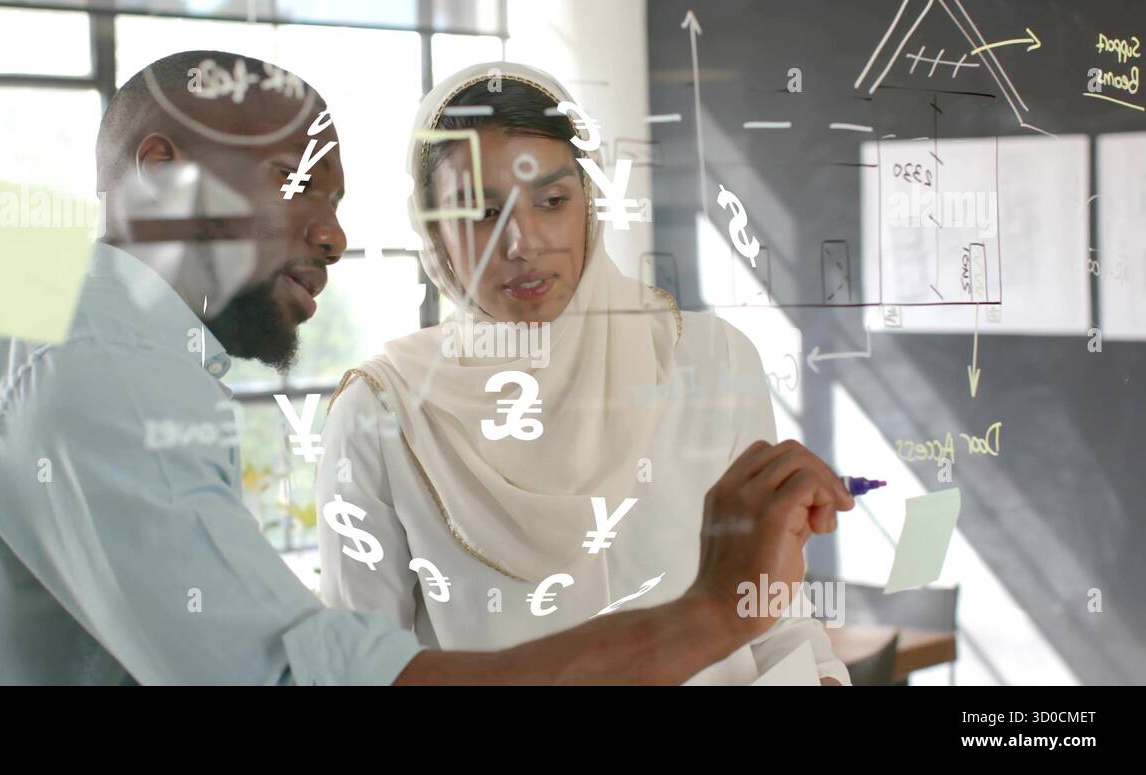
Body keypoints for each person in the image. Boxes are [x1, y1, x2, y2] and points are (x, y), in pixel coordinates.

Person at [0, 51, 851, 686]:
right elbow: (313, 675)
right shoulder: (127, 368)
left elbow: (782, 636)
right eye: (302, 189)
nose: (334, 237)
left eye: (549, 200)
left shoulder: (709, 358)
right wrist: (705, 613)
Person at [315, 63, 850, 684]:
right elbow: (359, 671)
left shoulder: (709, 359)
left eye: (551, 201)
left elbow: (776, 616)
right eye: (481, 212)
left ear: (589, 201)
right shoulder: (384, 411)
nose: (523, 243)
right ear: (432, 231)